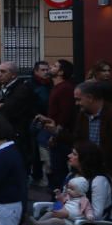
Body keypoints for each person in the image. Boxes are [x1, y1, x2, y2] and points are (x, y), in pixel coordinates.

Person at [70, 80, 112, 190]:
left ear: (90, 97)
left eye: (79, 99)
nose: (76, 103)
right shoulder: (82, 115)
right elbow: (78, 139)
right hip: (89, 173)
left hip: (111, 174)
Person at [0, 61, 36, 171]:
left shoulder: (21, 89)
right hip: (2, 132)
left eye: (3, 71)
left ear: (13, 74)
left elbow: (8, 109)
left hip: (16, 133)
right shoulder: (0, 88)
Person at [38, 59, 76, 192]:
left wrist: (55, 136)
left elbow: (65, 115)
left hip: (61, 137)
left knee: (59, 171)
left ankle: (59, 202)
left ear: (61, 72)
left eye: (54, 66)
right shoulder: (56, 87)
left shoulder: (65, 88)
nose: (50, 68)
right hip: (54, 134)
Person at [27, 176, 94, 225]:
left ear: (80, 191)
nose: (68, 190)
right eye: (68, 188)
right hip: (62, 214)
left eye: (72, 189)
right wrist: (59, 195)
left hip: (71, 221)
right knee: (49, 213)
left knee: (54, 221)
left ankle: (38, 224)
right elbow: (61, 202)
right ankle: (38, 223)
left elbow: (88, 209)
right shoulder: (69, 196)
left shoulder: (84, 200)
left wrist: (89, 215)